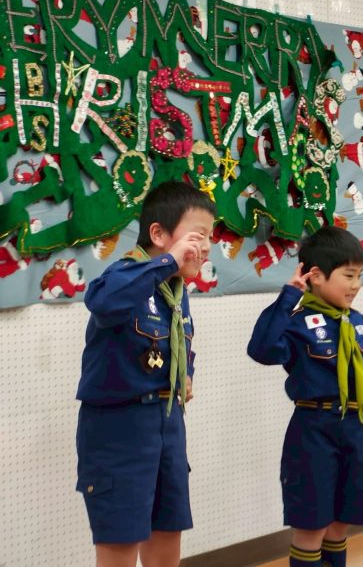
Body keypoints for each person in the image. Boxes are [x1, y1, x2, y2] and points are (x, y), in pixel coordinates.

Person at [75, 181, 215, 567]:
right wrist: (167, 262)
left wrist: (186, 373)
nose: (206, 247)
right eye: (198, 236)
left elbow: (181, 343)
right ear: (158, 233)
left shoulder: (176, 291)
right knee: (120, 549)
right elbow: (101, 301)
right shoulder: (126, 275)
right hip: (120, 433)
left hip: (167, 426)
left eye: (210, 237)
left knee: (167, 539)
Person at [248, 226, 363, 567]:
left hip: (354, 430)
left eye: (360, 275)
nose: (356, 284)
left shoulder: (357, 321)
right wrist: (289, 296)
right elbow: (262, 349)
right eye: (348, 275)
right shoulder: (297, 321)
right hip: (314, 431)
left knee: (339, 526)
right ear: (316, 275)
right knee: (311, 527)